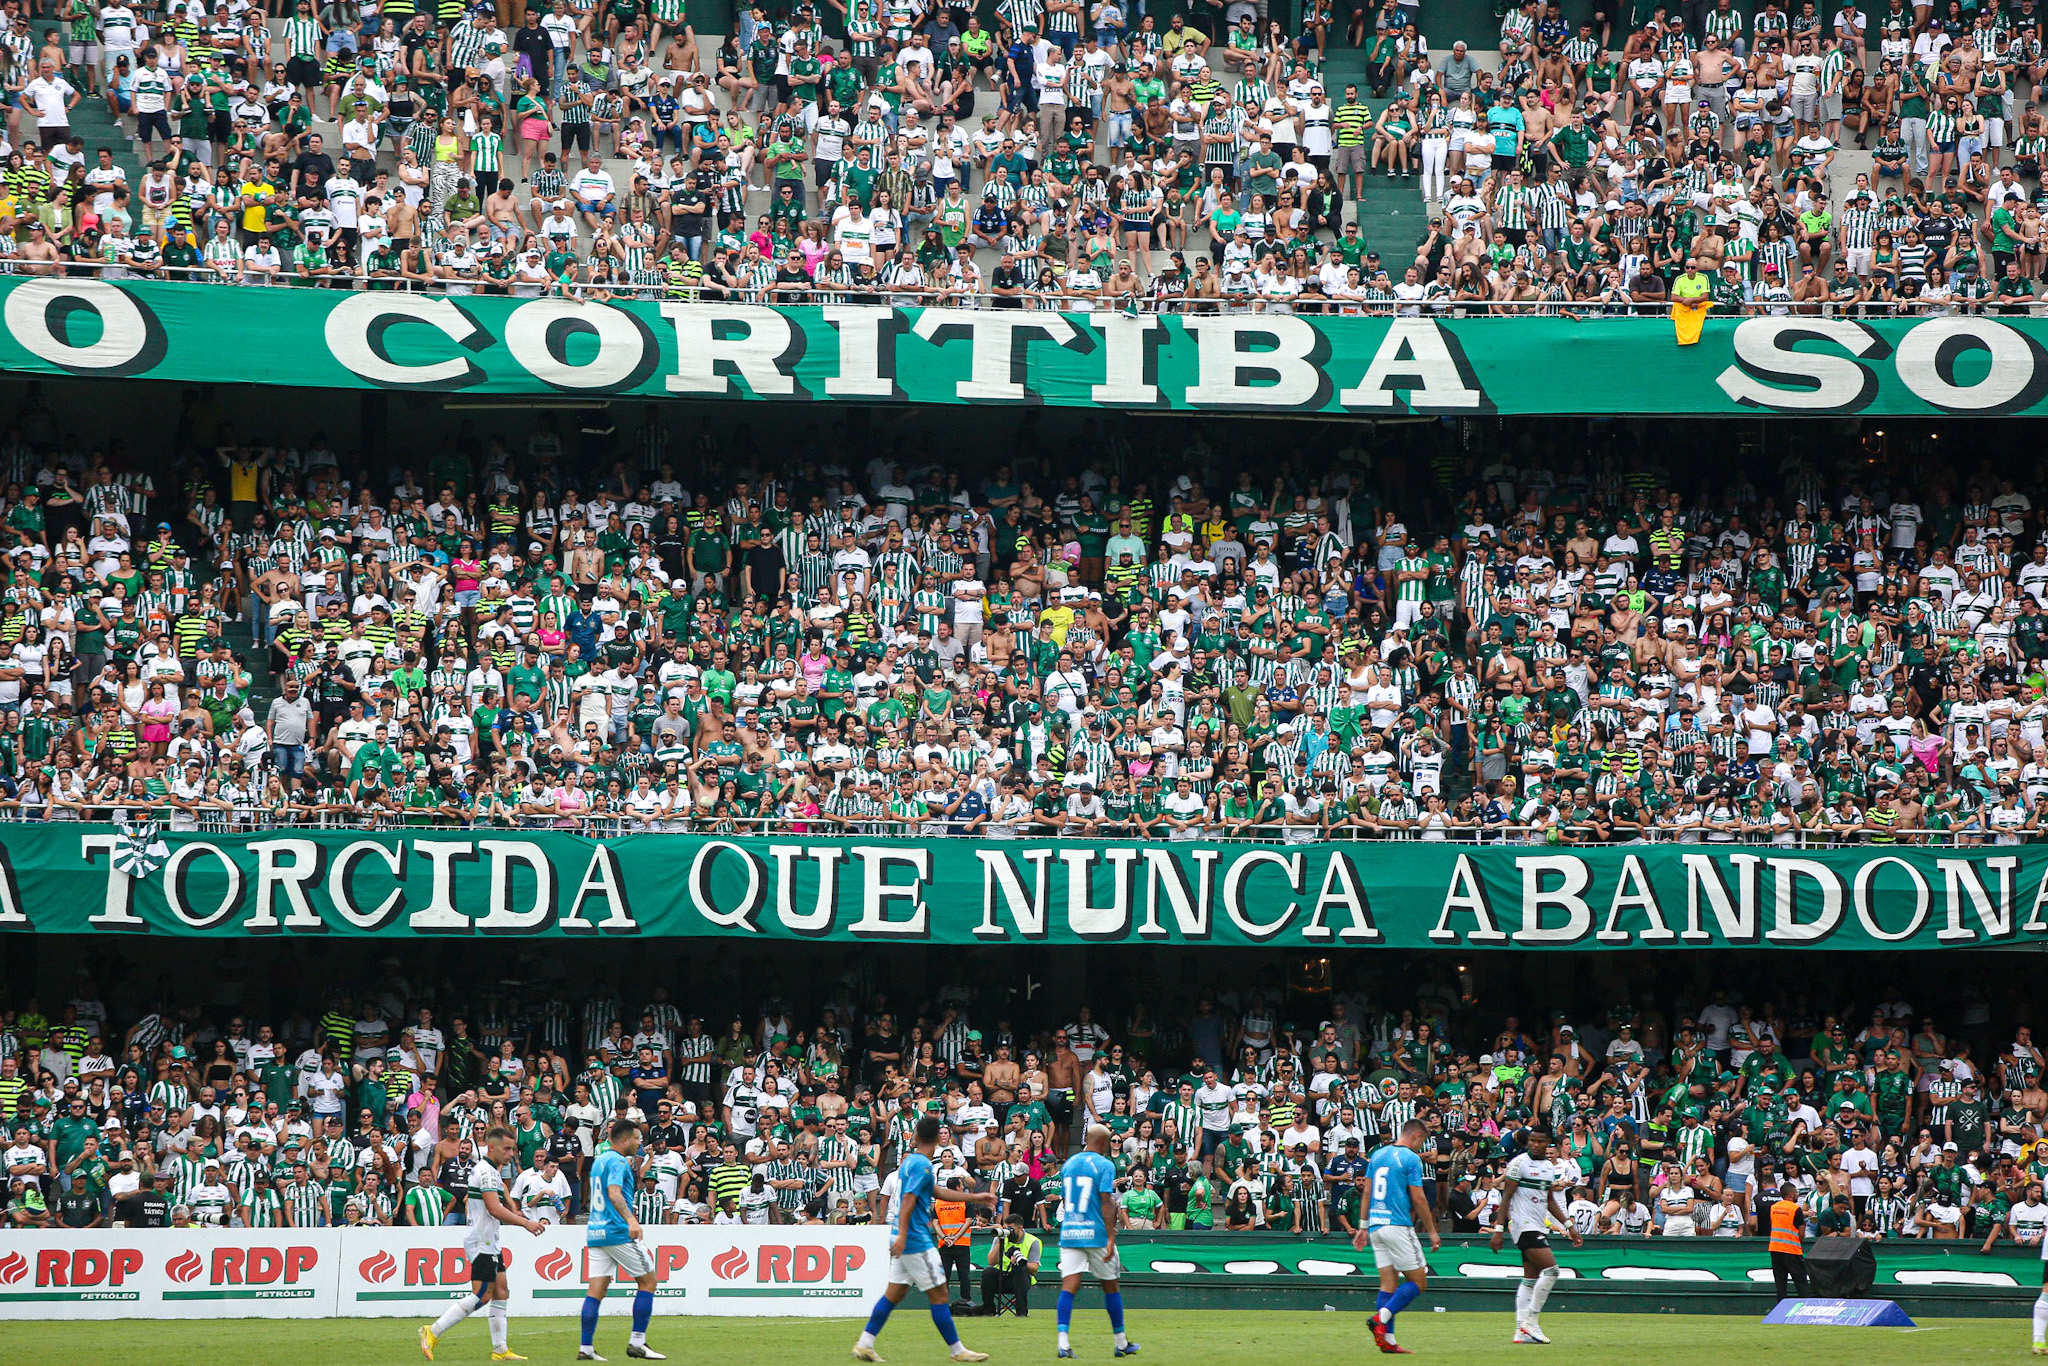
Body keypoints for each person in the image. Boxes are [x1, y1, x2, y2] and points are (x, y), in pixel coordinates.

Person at [853, 1114, 993, 1364]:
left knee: (893, 1295)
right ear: (938, 1139)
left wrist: (975, 1198)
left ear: (916, 1136)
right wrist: (905, 1236)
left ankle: (865, 1344)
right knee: (939, 1295)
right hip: (914, 1240)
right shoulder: (922, 1165)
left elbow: (937, 1191)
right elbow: (908, 1200)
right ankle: (957, 1350)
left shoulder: (911, 1163)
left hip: (902, 1236)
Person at [420, 1124, 544, 1362]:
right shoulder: (486, 1171)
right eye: (507, 1149)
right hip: (481, 1240)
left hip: (490, 1239)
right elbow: (494, 1208)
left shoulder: (493, 1172)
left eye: (513, 1149)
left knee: (501, 1290)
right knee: (482, 1295)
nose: (511, 1154)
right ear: (493, 1147)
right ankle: (432, 1331)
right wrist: (525, 1223)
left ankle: (500, 1349)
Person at [578, 1118, 666, 1362]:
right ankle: (637, 1342)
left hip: (596, 1231)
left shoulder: (599, 1161)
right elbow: (614, 1193)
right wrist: (631, 1220)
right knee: (648, 1282)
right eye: (637, 1138)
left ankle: (586, 1347)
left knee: (596, 1290)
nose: (640, 1143)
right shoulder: (618, 1161)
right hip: (617, 1231)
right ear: (625, 1140)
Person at [1055, 1123, 1139, 1358]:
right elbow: (1106, 1201)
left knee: (1069, 1287)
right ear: (1102, 1143)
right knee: (1110, 1285)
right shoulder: (1104, 1164)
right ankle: (1121, 1343)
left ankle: (1063, 1343)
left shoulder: (1069, 1164)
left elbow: (1064, 1197)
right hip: (1095, 1233)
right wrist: (1111, 1236)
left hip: (1070, 1232)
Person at [1356, 1117, 1438, 1354]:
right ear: (1416, 1136)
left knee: (1388, 1284)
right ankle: (1380, 1319)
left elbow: (1368, 1191)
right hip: (1398, 1225)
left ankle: (1388, 1341)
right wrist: (1432, 1230)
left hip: (1376, 1226)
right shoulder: (1411, 1159)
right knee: (1418, 1282)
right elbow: (1419, 1198)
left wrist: (1363, 1227)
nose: (1420, 1147)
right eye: (1421, 1142)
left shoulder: (1378, 1155)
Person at [1492, 1127, 1581, 1345]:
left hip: (1538, 1226)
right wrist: (1498, 1229)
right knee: (1552, 1270)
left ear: (1549, 1143)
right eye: (1532, 1140)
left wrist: (1569, 1226)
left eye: (1541, 1141)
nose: (1536, 1144)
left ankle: (1520, 1331)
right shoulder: (1519, 1163)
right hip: (1523, 1226)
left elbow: (1549, 1200)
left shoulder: (1549, 1167)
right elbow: (1506, 1197)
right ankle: (1530, 1322)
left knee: (1530, 1279)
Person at [980, 1211, 1042, 1315]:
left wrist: (1021, 1262)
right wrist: (1001, 1242)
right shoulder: (1000, 1238)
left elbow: (1034, 1269)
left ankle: (1021, 1312)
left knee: (1020, 1270)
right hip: (1001, 1278)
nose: (1008, 1231)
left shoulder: (1033, 1241)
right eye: (1006, 1228)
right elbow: (991, 1262)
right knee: (988, 1272)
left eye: (1011, 1229)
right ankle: (988, 1310)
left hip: (1019, 1281)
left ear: (1020, 1227)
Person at [1767, 1183, 1810, 1302]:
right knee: (1801, 1282)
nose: (1797, 1195)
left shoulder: (1774, 1207)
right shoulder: (1796, 1209)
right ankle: (1806, 1308)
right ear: (1791, 1195)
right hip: (1792, 1249)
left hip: (1775, 1248)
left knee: (1780, 1284)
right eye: (1796, 1192)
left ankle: (1780, 1311)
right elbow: (1801, 1233)